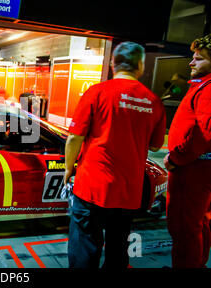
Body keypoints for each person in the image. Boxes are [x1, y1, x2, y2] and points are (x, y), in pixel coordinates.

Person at [64, 41, 166, 268]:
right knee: (118, 249)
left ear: (112, 64)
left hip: (92, 188)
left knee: (84, 246)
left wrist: (69, 169)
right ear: (140, 66)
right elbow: (157, 146)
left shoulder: (97, 92)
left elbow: (74, 138)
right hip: (128, 192)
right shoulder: (154, 101)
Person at [163, 33, 211, 268]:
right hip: (196, 170)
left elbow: (205, 134)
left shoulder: (209, 89)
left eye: (199, 58)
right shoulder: (202, 86)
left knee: (184, 228)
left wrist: (176, 158)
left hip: (192, 172)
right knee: (196, 224)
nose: (191, 63)